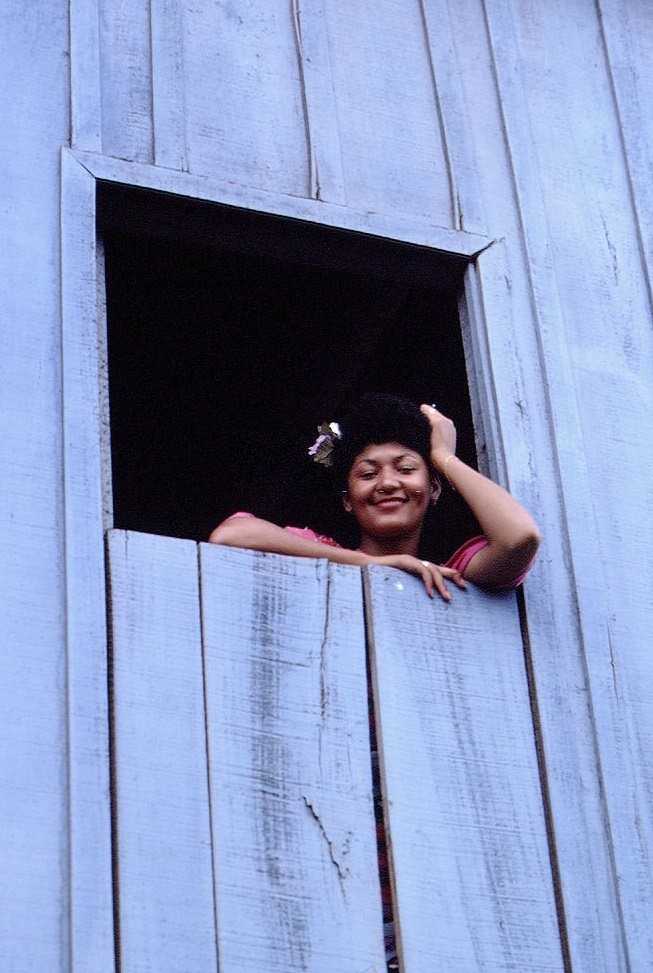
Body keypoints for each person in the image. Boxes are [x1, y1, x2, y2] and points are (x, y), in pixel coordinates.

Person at [209, 392, 540, 601]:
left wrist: (443, 458)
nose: (387, 483)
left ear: (434, 489)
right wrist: (376, 564)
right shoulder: (318, 550)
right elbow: (230, 536)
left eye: (406, 470)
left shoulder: (451, 577)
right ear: (347, 500)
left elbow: (520, 538)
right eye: (368, 474)